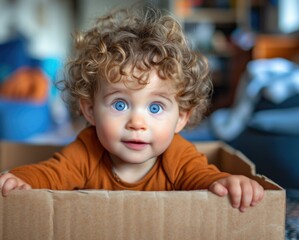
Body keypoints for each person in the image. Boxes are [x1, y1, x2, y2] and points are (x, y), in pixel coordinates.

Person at [0, 3, 263, 212]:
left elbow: (203, 177)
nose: (137, 122)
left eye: (156, 108)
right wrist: (20, 179)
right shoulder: (86, 150)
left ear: (181, 117)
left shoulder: (178, 155)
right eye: (120, 103)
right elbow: (52, 173)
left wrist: (226, 183)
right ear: (90, 110)